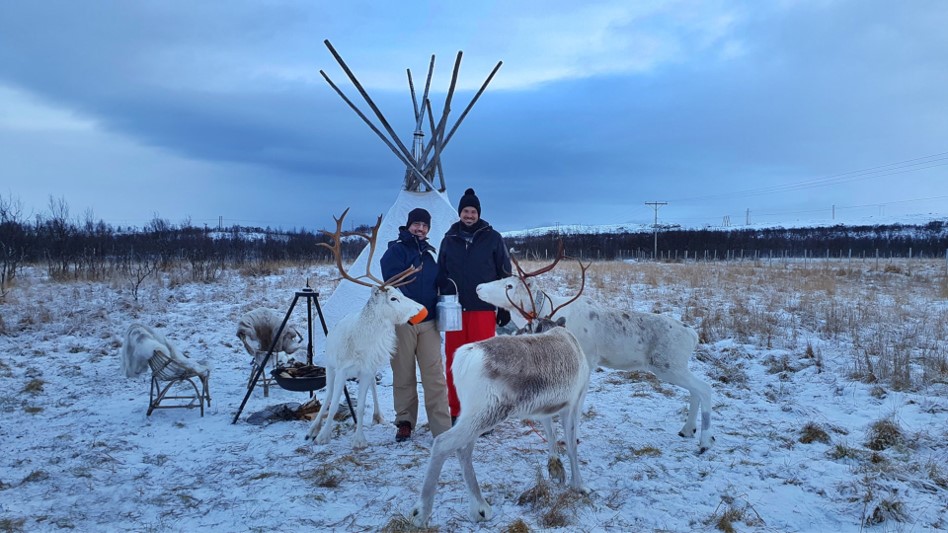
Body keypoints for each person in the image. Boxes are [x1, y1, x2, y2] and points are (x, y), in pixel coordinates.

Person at [436, 188, 512, 423]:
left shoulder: (493, 238)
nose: (469, 215)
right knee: (455, 361)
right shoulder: (449, 239)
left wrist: (504, 306)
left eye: (473, 211)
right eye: (465, 211)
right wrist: (442, 294)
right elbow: (441, 271)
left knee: (484, 362)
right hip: (455, 310)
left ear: (478, 213)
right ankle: (457, 411)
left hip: (483, 309)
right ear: (460, 212)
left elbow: (505, 274)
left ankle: (485, 412)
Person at [380, 207, 452, 442]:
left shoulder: (431, 254)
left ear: (428, 229)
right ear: (409, 225)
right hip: (404, 322)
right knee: (403, 374)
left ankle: (441, 426)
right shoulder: (396, 251)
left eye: (424, 225)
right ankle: (404, 422)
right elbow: (391, 284)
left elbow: (440, 281)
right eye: (416, 224)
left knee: (434, 375)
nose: (420, 228)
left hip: (428, 321)